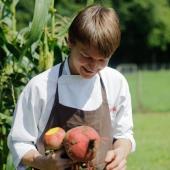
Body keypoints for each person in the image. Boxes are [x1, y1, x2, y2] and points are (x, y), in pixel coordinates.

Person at [8, 4, 136, 170]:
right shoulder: (41, 87)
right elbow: (20, 142)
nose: (93, 66)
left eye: (102, 59)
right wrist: (42, 162)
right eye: (86, 56)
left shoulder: (116, 82)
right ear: (70, 41)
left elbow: (124, 134)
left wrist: (120, 153)